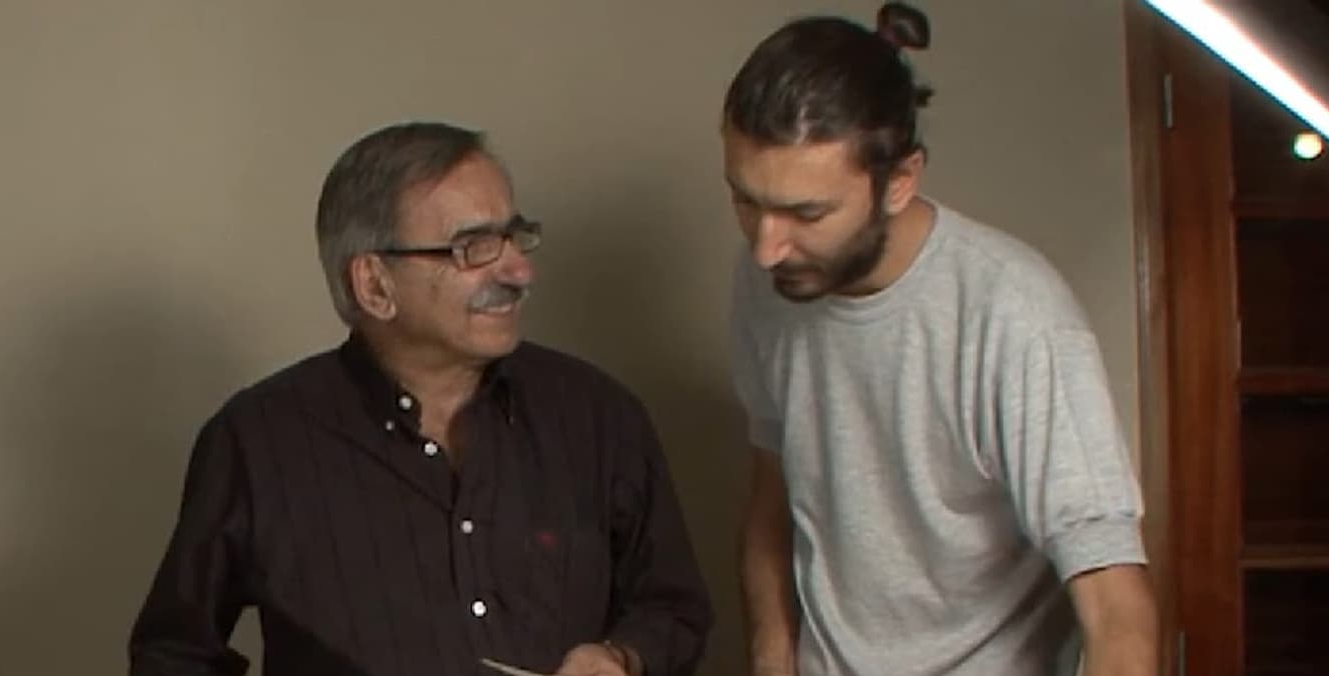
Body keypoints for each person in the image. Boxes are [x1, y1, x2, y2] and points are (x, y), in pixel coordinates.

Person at [129, 121, 713, 676]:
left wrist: (621, 657)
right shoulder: (257, 444)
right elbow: (175, 655)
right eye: (472, 246)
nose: (519, 271)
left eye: (514, 236)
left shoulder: (597, 417)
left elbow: (673, 607)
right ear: (374, 285)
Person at [721, 4, 1158, 675]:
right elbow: (772, 498)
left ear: (898, 182)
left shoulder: (1015, 312)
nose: (766, 247)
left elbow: (1117, 611)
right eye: (746, 201)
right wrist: (772, 657)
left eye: (807, 213)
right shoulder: (770, 281)